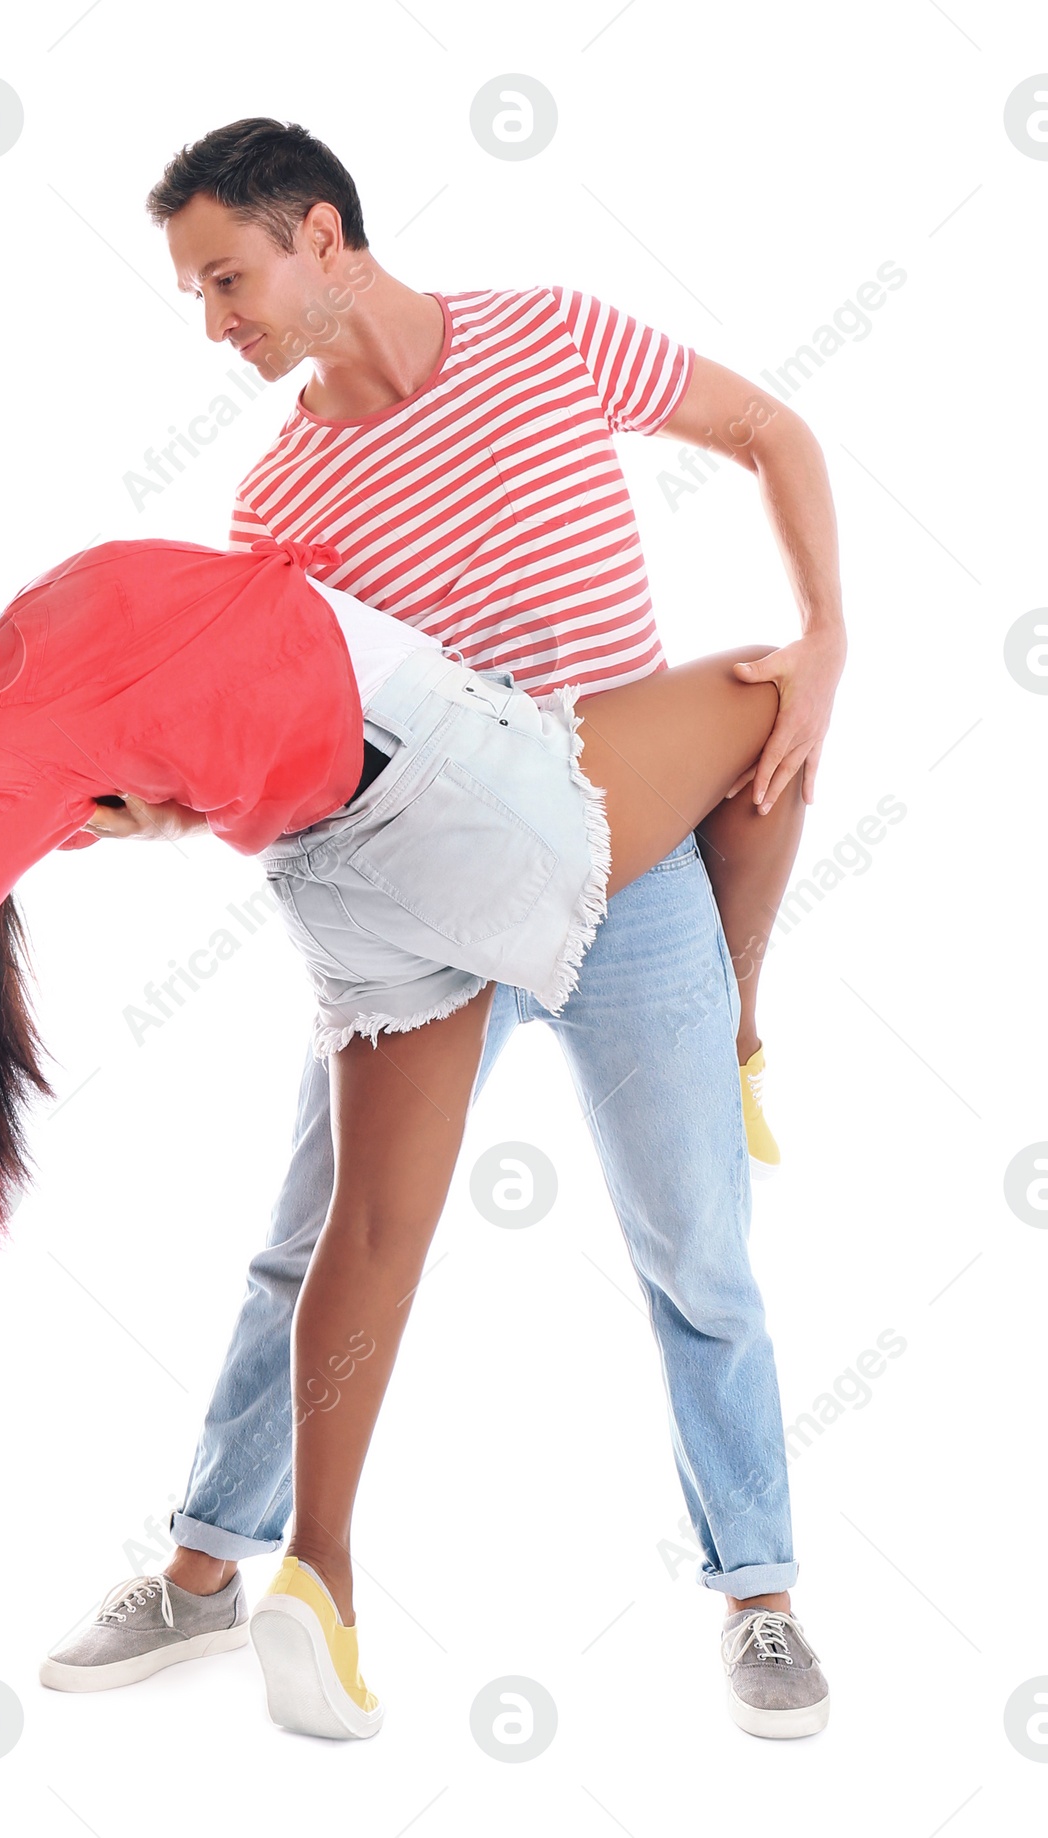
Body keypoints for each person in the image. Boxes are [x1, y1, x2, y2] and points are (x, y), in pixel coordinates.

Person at [0, 530, 814, 1741]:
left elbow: (106, 686)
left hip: (350, 876)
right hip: (473, 803)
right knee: (778, 695)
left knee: (369, 1229)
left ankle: (318, 1581)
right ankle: (743, 1046)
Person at [49, 119, 843, 1739]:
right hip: (426, 920)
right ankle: (212, 1571)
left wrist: (828, 635)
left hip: (628, 885)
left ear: (322, 234)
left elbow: (767, 425)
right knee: (310, 1241)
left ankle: (758, 1592)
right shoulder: (279, 497)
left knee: (697, 1253)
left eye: (227, 276)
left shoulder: (548, 335)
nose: (216, 322)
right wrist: (147, 805)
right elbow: (291, 737)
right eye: (196, 292)